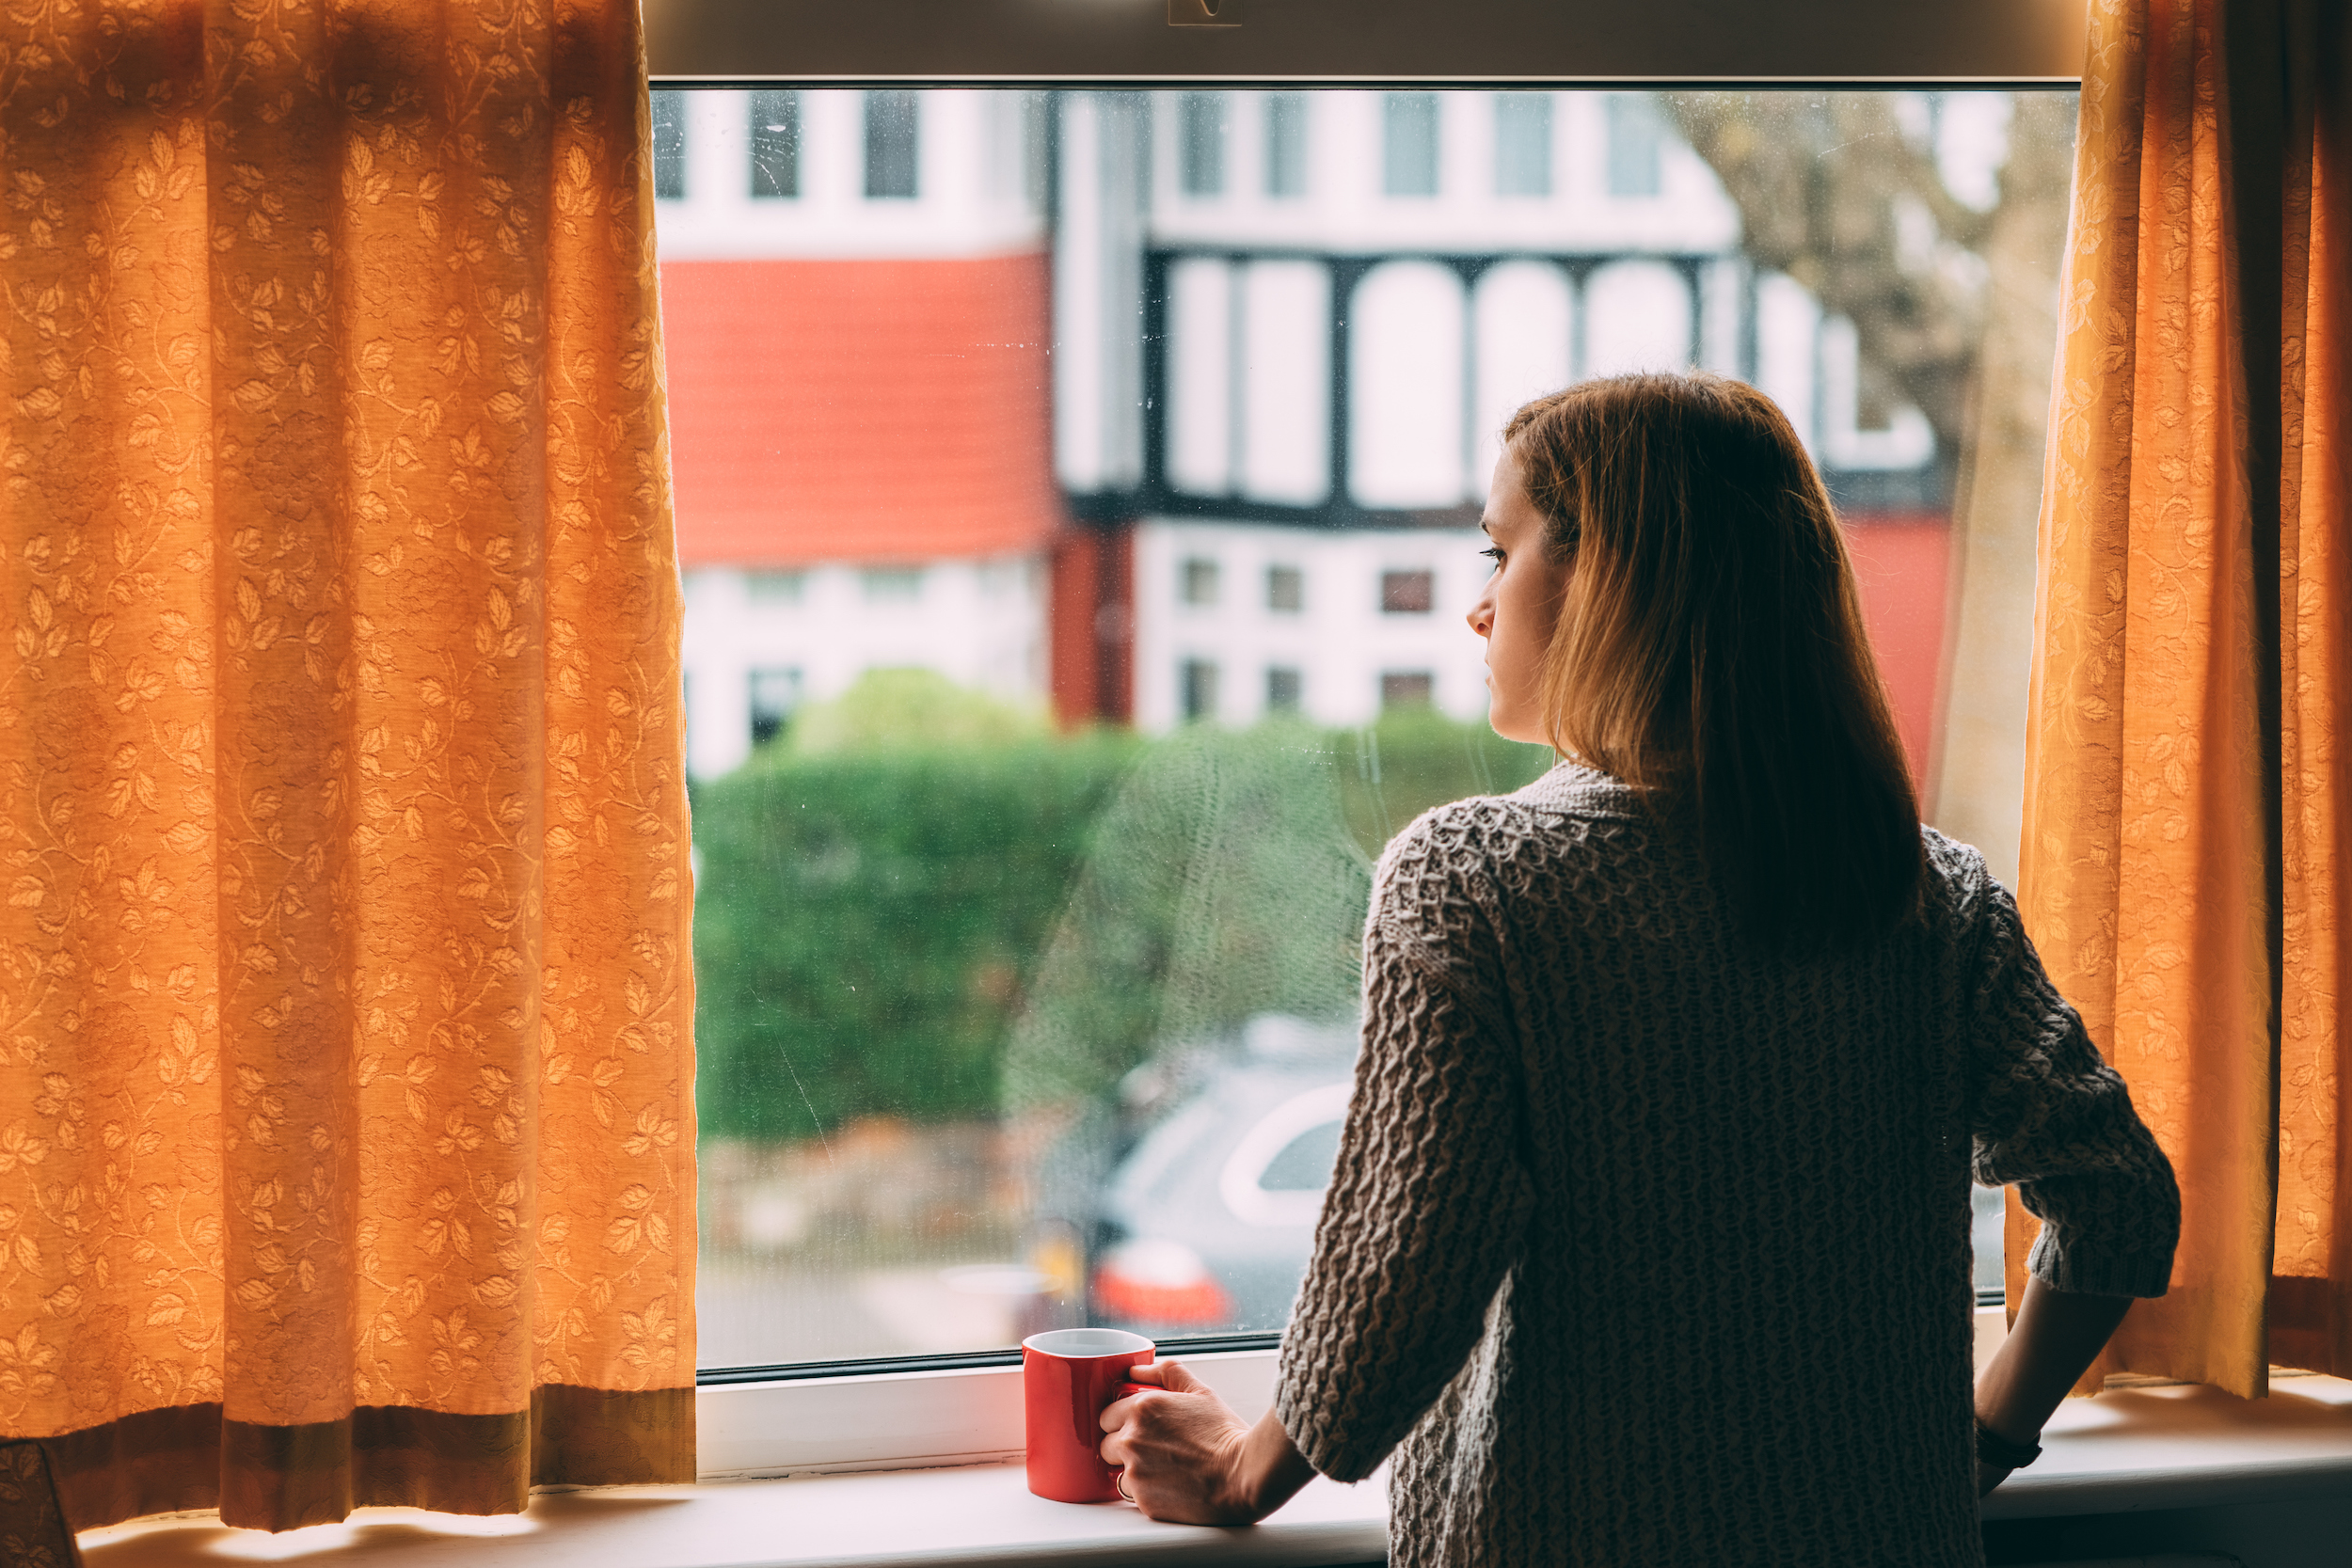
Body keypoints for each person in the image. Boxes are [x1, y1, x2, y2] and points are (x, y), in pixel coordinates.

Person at [1097, 372, 2182, 1565]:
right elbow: (2118, 1195)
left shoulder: (1475, 879)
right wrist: (1977, 1441)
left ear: (1606, 575)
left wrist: (1245, 1467)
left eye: (1496, 551)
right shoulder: (1925, 894)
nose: (1476, 607)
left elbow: (1404, 1263)